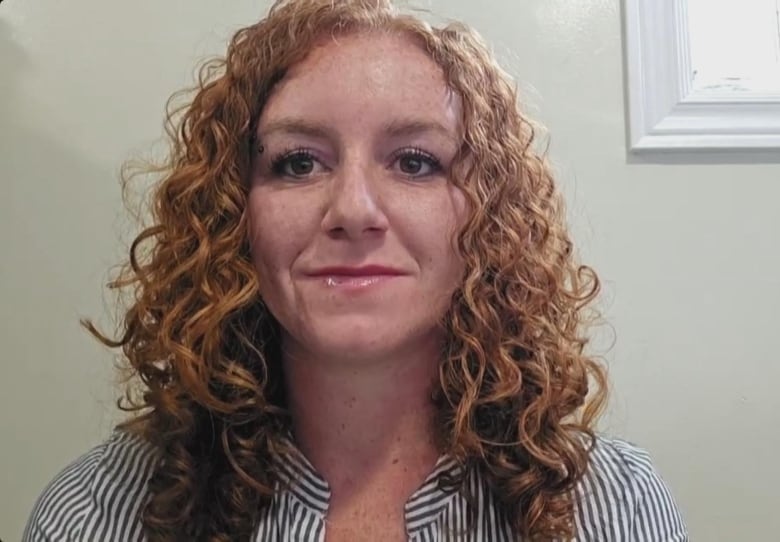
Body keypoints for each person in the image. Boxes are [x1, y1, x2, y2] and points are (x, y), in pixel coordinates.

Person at [23, 0, 688, 540]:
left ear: (487, 218)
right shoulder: (95, 513)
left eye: (415, 162)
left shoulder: (609, 506)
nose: (354, 210)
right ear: (233, 218)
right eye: (298, 162)